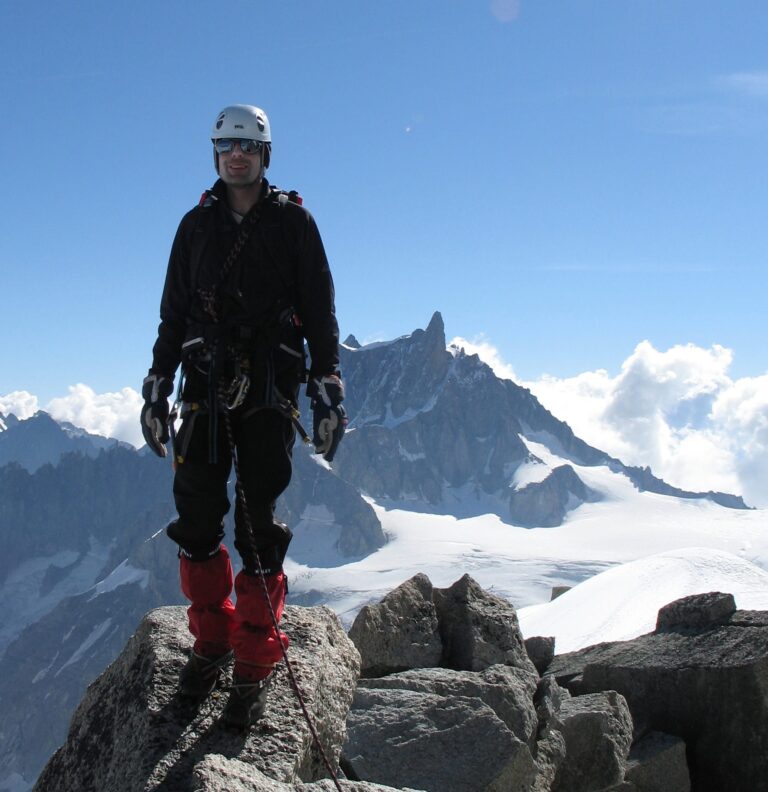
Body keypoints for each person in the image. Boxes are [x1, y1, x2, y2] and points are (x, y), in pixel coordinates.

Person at [140, 104, 346, 728]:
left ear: (265, 156)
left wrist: (327, 384)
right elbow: (174, 315)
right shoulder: (194, 228)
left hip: (267, 389)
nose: (237, 155)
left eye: (248, 147)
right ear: (215, 155)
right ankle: (210, 644)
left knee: (258, 525)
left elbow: (319, 310)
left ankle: (253, 665)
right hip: (203, 385)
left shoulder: (294, 225)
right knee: (198, 519)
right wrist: (157, 382)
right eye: (227, 146)